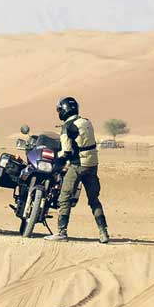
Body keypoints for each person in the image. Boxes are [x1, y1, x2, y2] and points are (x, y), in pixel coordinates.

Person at [45, 97, 109, 244]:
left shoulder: (67, 126)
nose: (59, 113)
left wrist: (57, 159)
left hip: (78, 165)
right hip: (92, 165)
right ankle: (103, 232)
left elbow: (66, 151)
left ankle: (61, 232)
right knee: (94, 200)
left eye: (60, 110)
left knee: (64, 197)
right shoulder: (86, 122)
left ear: (64, 110)